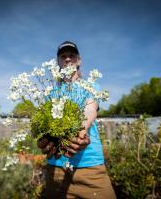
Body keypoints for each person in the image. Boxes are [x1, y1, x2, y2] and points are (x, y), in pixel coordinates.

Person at [37, 41, 116, 199]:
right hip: (56, 168)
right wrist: (42, 138)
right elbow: (44, 125)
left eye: (72, 55)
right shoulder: (50, 92)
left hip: (89, 168)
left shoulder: (90, 86)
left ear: (78, 60)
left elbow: (90, 108)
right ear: (58, 62)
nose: (67, 59)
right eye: (63, 56)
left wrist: (81, 129)